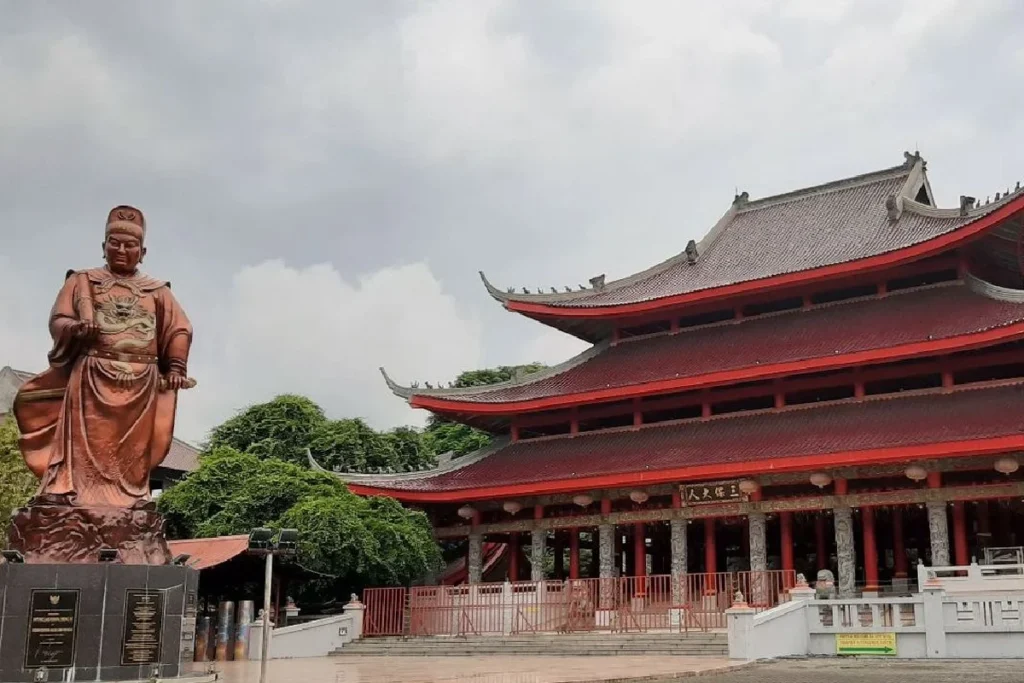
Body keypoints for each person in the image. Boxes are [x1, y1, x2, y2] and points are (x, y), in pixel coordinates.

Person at [14, 205, 193, 509]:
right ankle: (71, 491)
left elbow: (179, 329)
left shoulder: (157, 292)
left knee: (133, 448)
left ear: (142, 252)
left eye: (130, 245)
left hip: (141, 383)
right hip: (92, 376)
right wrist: (75, 328)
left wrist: (176, 366)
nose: (121, 250)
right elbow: (58, 319)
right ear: (103, 246)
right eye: (114, 243)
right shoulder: (82, 281)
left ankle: (130, 498)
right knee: (85, 444)